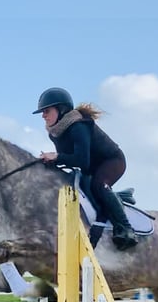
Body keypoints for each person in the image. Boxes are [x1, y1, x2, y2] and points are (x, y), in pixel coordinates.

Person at [34, 87, 138, 251]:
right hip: (92, 165)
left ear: (61, 109)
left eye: (46, 111)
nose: (43, 115)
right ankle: (115, 197)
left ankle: (126, 229)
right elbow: (68, 158)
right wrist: (50, 162)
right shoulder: (55, 133)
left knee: (98, 185)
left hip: (112, 160)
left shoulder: (78, 126)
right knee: (85, 188)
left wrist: (57, 157)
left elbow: (81, 161)